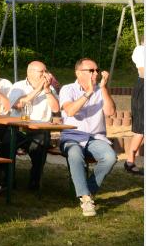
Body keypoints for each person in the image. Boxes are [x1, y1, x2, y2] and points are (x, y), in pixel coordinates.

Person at [59, 58, 117, 217]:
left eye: (97, 70)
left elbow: (111, 112)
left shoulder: (101, 89)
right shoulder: (68, 89)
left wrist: (104, 88)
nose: (96, 73)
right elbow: (70, 111)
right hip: (72, 136)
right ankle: (85, 199)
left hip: (95, 138)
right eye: (91, 70)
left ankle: (88, 191)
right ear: (78, 73)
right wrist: (88, 93)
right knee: (75, 154)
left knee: (110, 157)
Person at [7, 61, 60, 189]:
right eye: (42, 72)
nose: (45, 75)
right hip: (18, 129)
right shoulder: (18, 86)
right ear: (30, 73)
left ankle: (35, 181)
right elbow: (19, 105)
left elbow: (56, 109)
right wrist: (38, 89)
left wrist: (46, 90)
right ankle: (9, 179)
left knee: (39, 147)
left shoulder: (50, 88)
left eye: (46, 71)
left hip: (40, 130)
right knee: (6, 144)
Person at [126, 37, 144, 175]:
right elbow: (143, 71)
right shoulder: (141, 50)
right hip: (144, 87)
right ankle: (130, 162)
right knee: (141, 127)